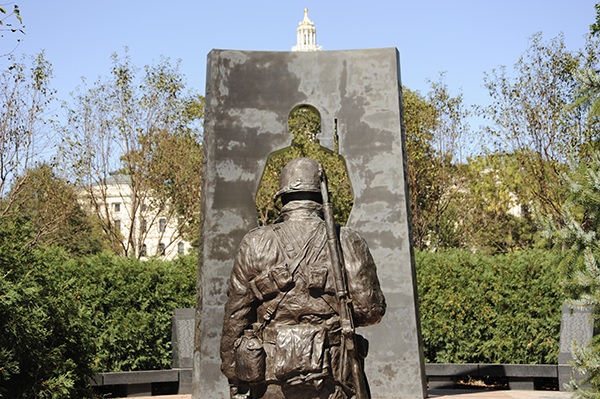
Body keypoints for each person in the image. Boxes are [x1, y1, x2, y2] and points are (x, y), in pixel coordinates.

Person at [220, 157, 386, 399]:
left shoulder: (255, 242)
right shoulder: (347, 240)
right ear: (321, 196)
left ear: (282, 199)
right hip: (333, 378)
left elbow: (235, 317)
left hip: (271, 381)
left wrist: (234, 376)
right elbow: (370, 311)